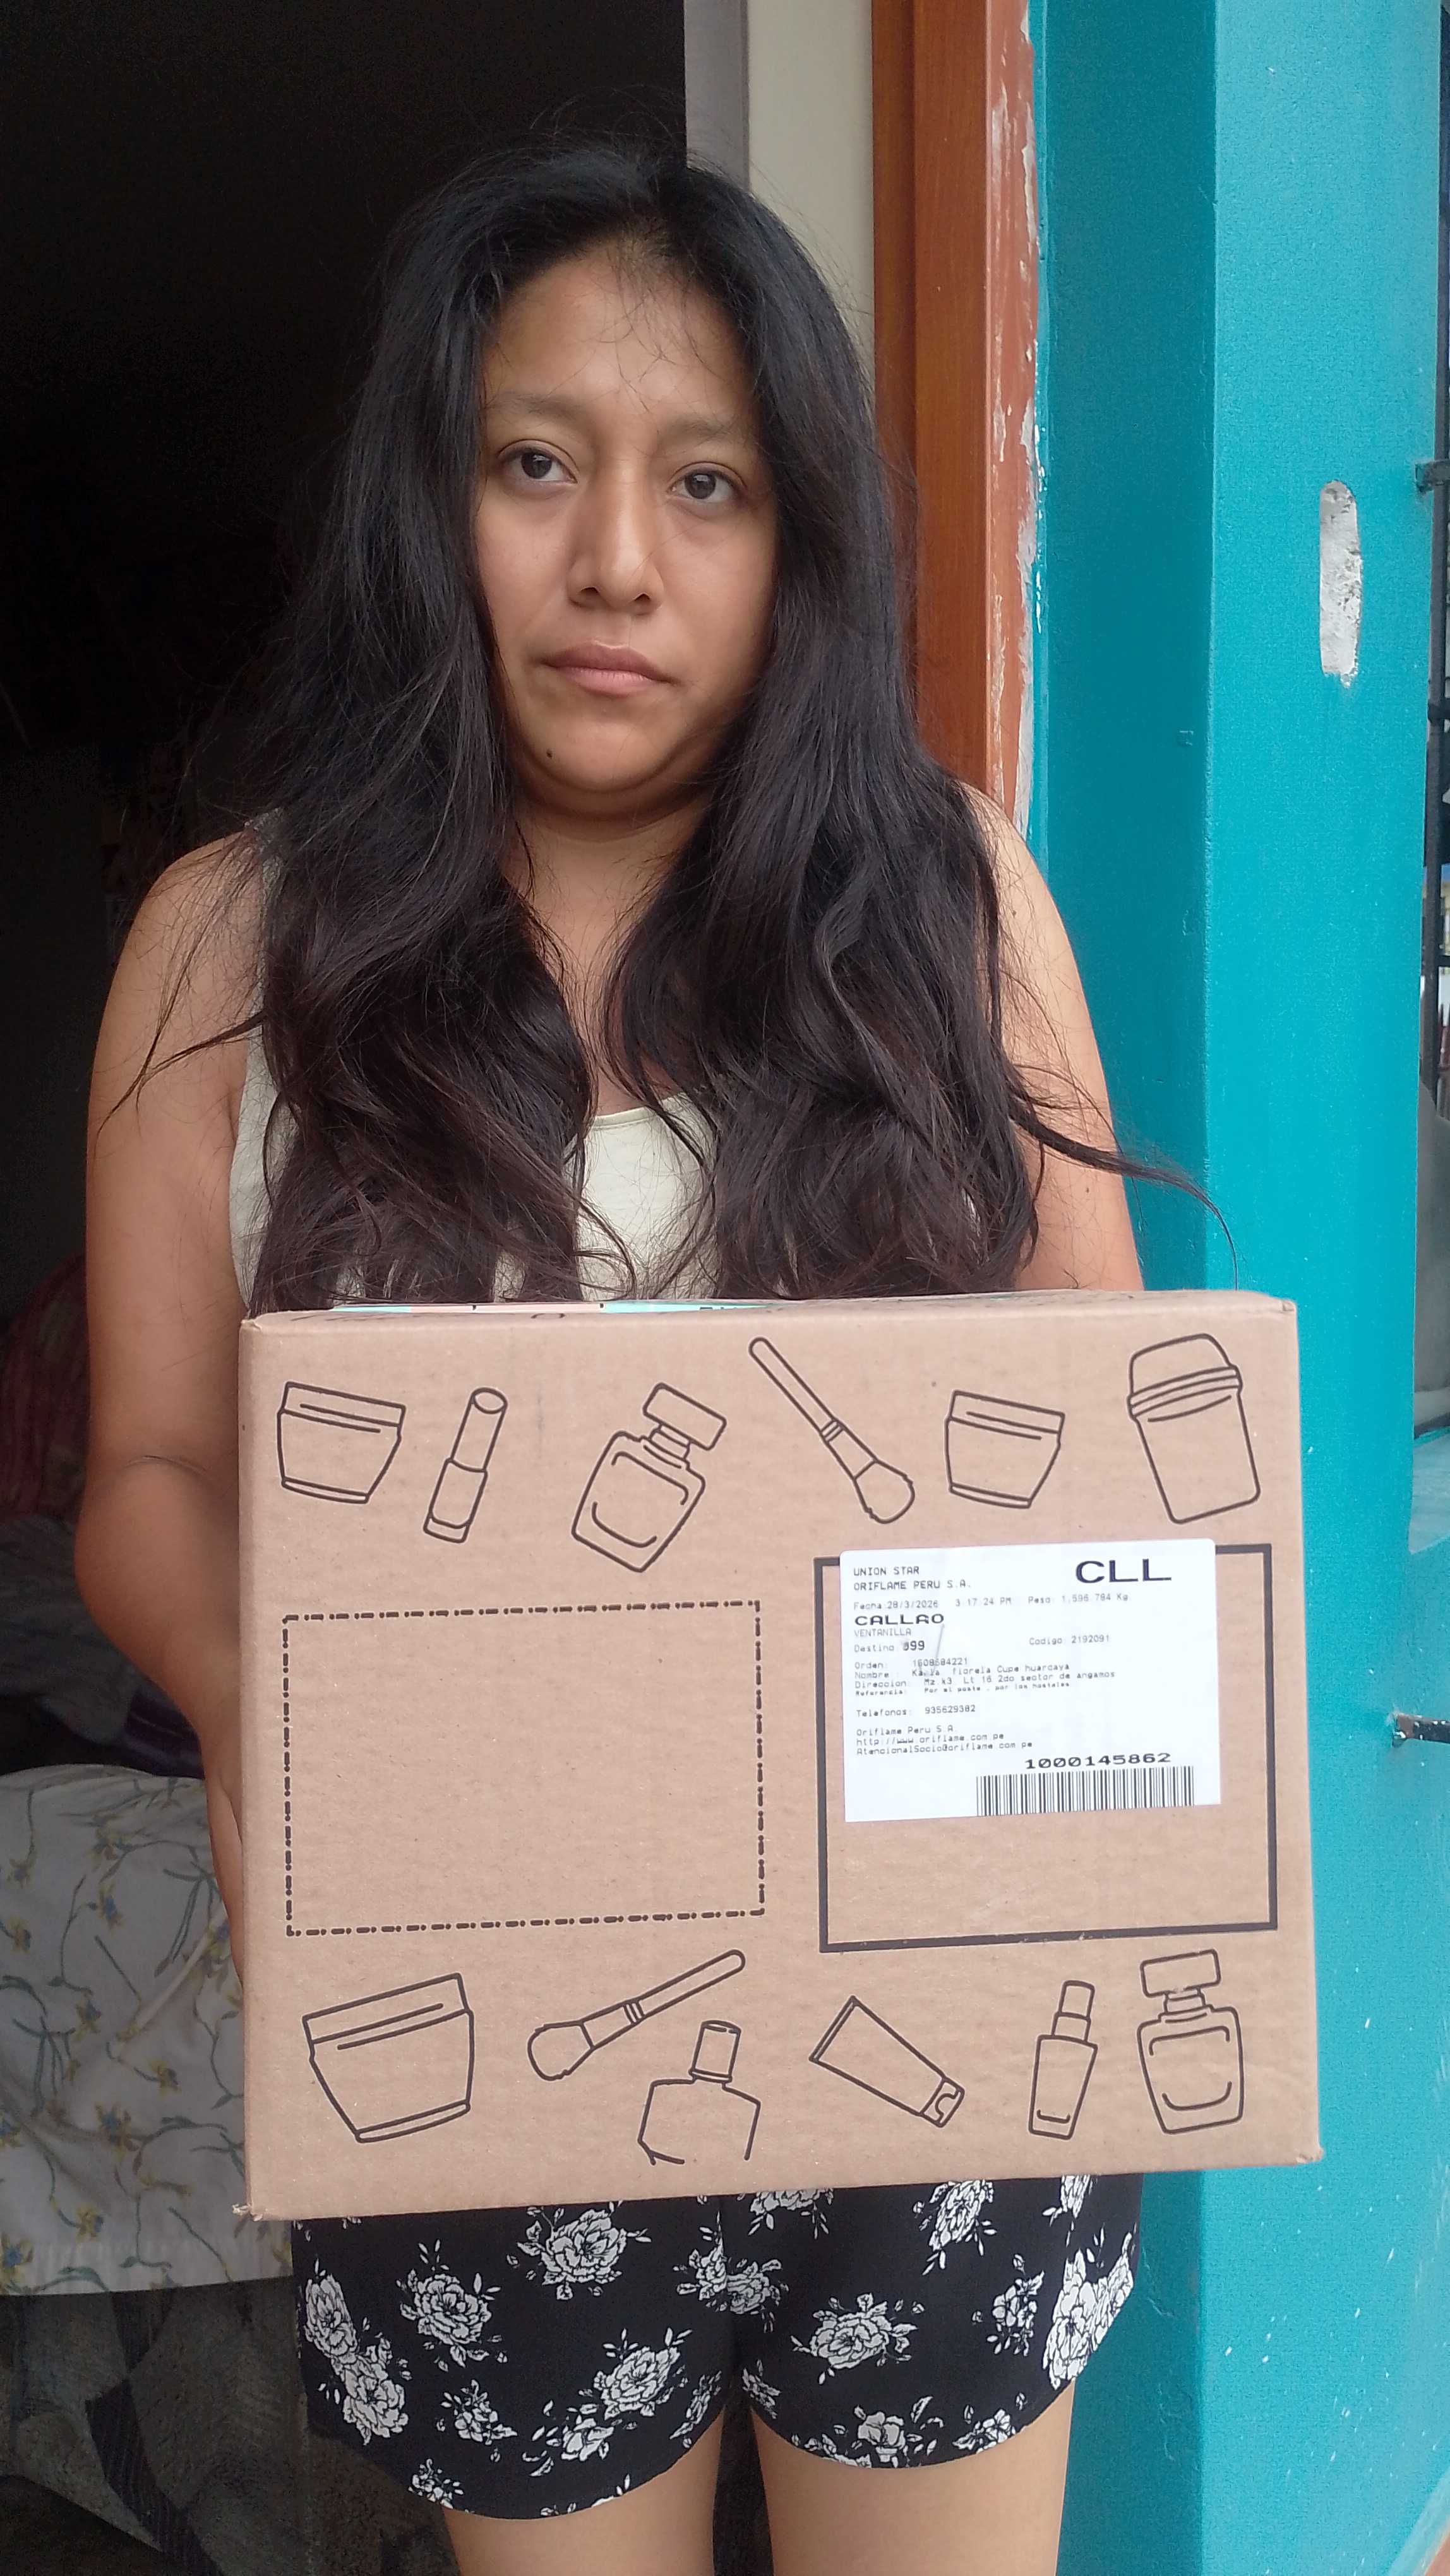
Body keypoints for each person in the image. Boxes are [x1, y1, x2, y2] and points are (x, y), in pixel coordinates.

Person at [78, 146, 1147, 2576]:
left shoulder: (948, 905)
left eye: (710, 486)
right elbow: (145, 1467)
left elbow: (1105, 1445)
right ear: (428, 501)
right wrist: (263, 1688)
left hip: (928, 2020)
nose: (620, 567)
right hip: (484, 2020)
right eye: (538, 463)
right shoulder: (233, 946)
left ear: (803, 545)